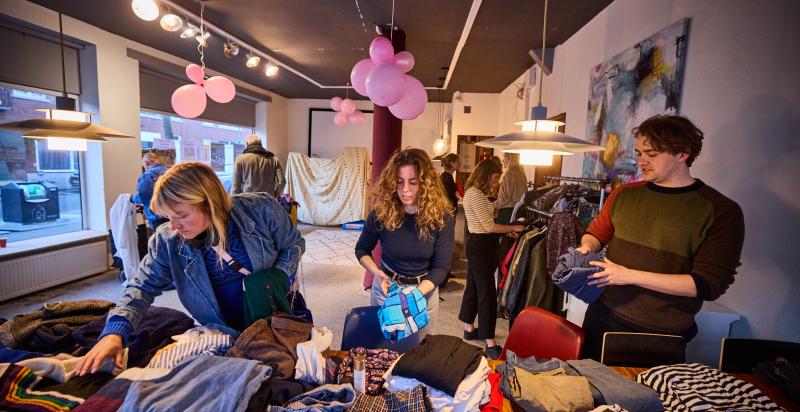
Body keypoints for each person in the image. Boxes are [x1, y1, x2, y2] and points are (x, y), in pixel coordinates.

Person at [75, 162, 304, 375]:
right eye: (168, 218)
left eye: (181, 216)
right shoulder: (167, 241)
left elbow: (293, 244)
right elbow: (141, 286)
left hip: (277, 314)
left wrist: (279, 277)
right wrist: (115, 331)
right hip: (224, 331)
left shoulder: (261, 209)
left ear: (210, 203)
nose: (173, 227)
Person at [577, 115, 745, 360]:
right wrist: (586, 248)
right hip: (601, 315)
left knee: (646, 397)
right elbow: (596, 234)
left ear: (683, 154)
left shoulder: (720, 210)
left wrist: (628, 275)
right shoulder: (624, 195)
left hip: (660, 333)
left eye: (652, 154)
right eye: (639, 153)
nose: (642, 161)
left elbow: (708, 285)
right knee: (584, 391)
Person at [355, 148, 455, 336]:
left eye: (413, 182)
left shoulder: (442, 218)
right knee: (383, 352)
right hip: (387, 289)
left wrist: (415, 295)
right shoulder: (381, 214)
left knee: (420, 354)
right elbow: (361, 250)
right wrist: (376, 272)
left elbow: (441, 267)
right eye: (399, 182)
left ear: (426, 184)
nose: (405, 189)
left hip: (423, 291)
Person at [459, 159, 524, 359]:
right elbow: (489, 227)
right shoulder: (475, 194)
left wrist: (505, 232)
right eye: (495, 177)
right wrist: (513, 228)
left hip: (480, 245)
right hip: (481, 247)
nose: (496, 181)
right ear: (486, 175)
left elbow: (487, 224)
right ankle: (489, 343)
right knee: (487, 293)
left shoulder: (475, 193)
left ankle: (469, 328)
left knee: (473, 288)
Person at [132, 153, 168, 231]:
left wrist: (131, 198)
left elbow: (143, 196)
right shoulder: (170, 171)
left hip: (158, 218)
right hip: (173, 215)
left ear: (146, 163)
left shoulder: (148, 175)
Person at [493, 152, 527, 224]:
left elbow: (504, 200)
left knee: (502, 234)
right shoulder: (521, 173)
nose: (502, 161)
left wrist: (488, 204)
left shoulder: (509, 174)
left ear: (510, 159)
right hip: (518, 212)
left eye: (504, 158)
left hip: (507, 212)